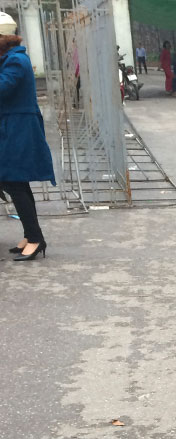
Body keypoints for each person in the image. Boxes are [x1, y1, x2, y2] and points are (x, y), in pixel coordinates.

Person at [0, 12, 53, 261]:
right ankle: (30, 235)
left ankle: (35, 238)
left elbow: (3, 89)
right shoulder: (12, 59)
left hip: (18, 127)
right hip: (14, 126)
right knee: (17, 183)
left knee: (14, 182)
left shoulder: (15, 62)